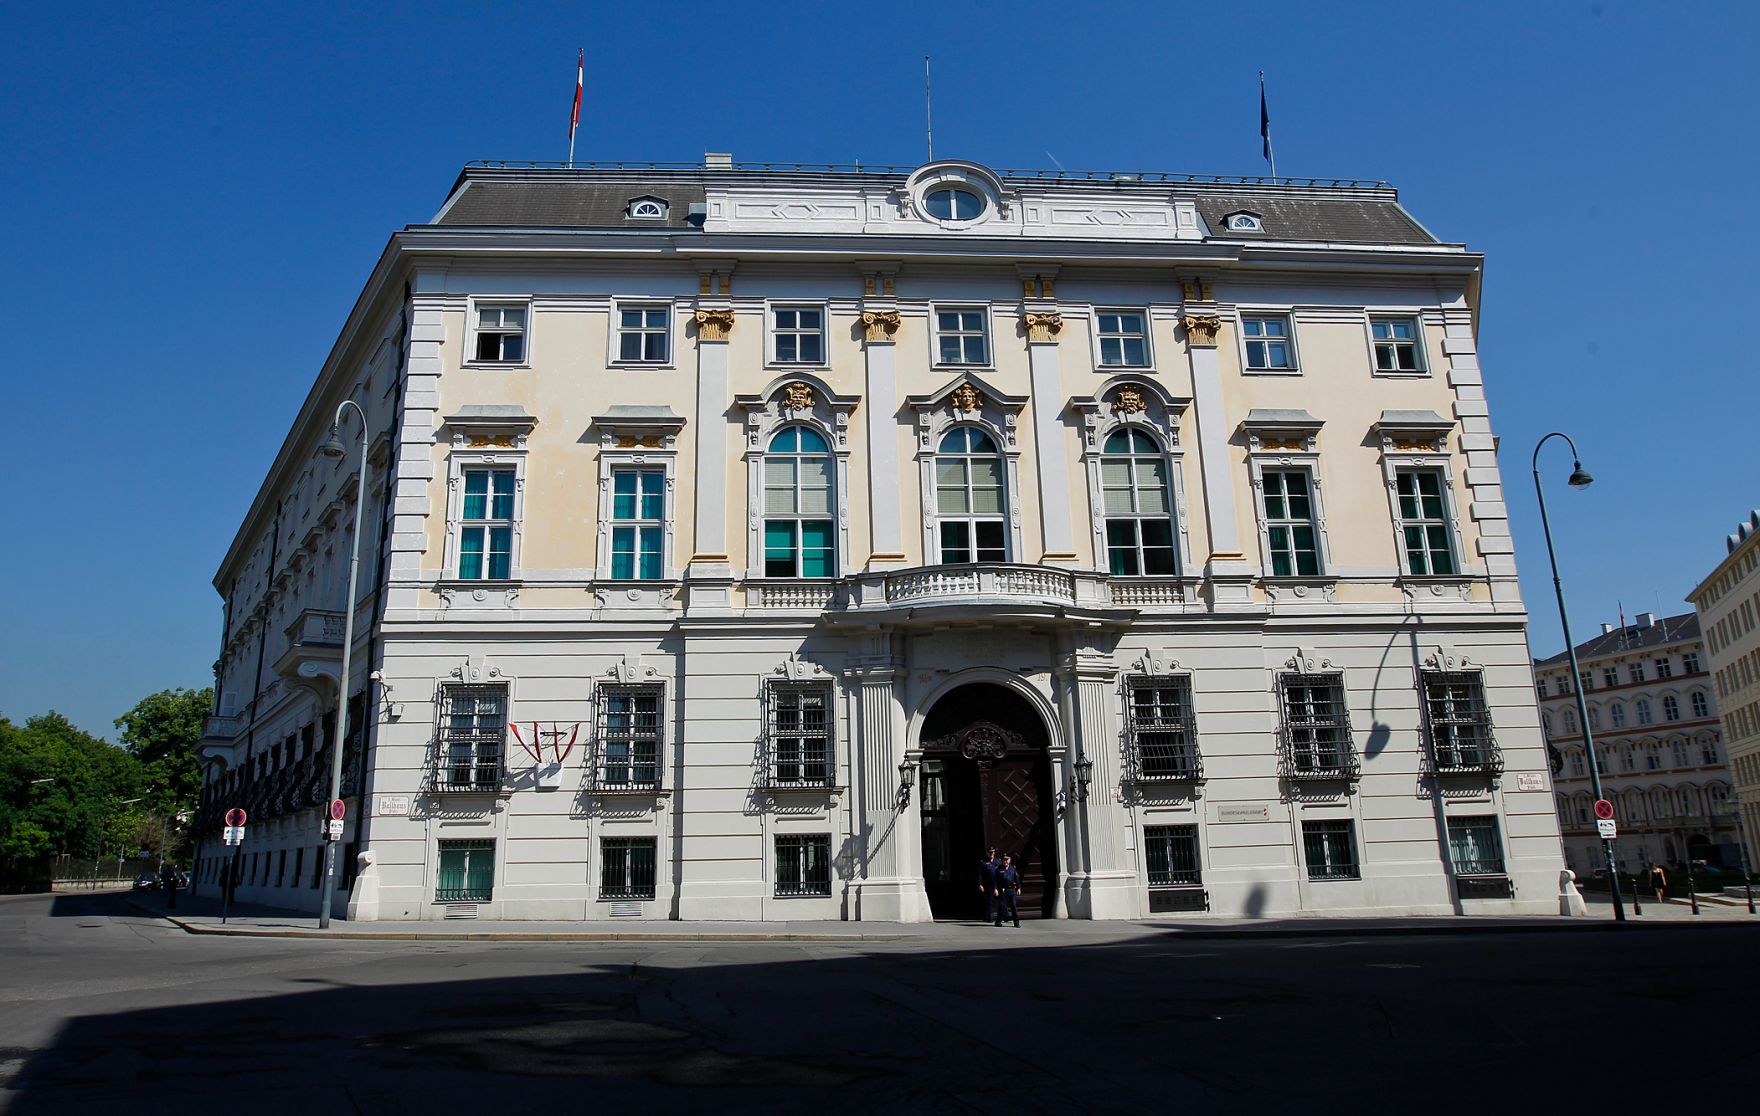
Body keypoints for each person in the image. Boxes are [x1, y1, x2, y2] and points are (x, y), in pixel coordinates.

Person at [994, 853, 1022, 927]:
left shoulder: (1013, 868)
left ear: (1010, 860)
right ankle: (998, 921)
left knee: (1014, 906)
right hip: (1003, 890)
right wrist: (995, 889)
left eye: (1007, 860)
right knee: (1002, 906)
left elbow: (1016, 879)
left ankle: (1016, 923)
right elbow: (995, 880)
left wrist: (1018, 887)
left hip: (1012, 890)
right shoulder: (998, 869)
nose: (1005, 861)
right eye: (1004, 860)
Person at [977, 847, 1001, 924]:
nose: (991, 853)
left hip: (998, 883)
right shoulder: (983, 862)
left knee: (1002, 900)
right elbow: (980, 874)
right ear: (987, 853)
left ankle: (1005, 916)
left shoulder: (998, 861)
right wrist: (980, 884)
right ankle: (990, 917)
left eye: (993, 852)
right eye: (990, 852)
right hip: (988, 884)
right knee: (990, 901)